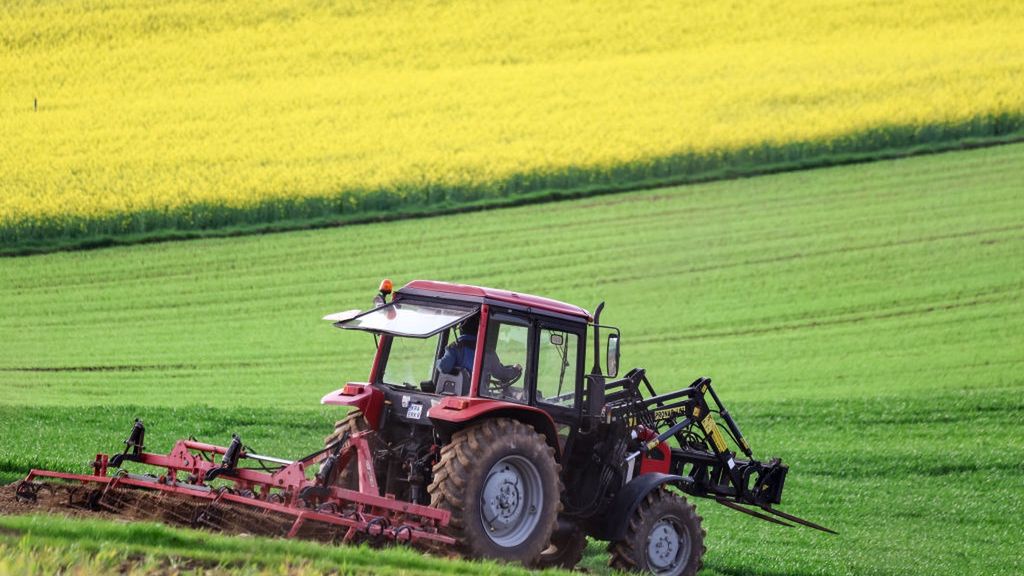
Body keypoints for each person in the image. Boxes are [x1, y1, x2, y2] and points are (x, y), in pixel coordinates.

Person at [436, 316, 522, 383]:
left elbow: (444, 367)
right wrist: (515, 370)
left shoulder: (455, 348)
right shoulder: (488, 351)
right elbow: (501, 373)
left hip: (457, 395)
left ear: (461, 328)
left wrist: (437, 362)